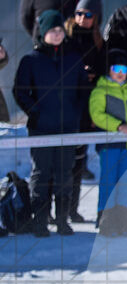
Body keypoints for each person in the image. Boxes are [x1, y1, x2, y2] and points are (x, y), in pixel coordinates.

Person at [13, 9, 89, 237]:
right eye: (51, 31)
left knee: (65, 174)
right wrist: (34, 113)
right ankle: (40, 222)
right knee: (42, 174)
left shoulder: (74, 59)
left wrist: (76, 114)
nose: (56, 35)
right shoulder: (31, 61)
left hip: (67, 127)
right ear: (43, 33)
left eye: (59, 30)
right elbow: (20, 91)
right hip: (41, 128)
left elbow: (83, 91)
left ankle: (63, 220)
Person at [90, 48, 127, 236]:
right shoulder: (100, 90)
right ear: (109, 69)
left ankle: (122, 222)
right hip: (109, 145)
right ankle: (106, 221)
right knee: (109, 182)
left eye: (124, 69)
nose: (121, 73)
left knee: (124, 184)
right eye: (117, 68)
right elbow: (97, 115)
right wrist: (119, 126)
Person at [64, 0, 104, 223]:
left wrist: (92, 76)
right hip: (67, 106)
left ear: (95, 17)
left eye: (88, 15)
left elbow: (103, 71)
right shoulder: (66, 37)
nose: (83, 19)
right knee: (61, 163)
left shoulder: (98, 41)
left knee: (79, 162)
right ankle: (54, 211)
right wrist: (79, 74)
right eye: (79, 13)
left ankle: (72, 208)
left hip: (88, 107)